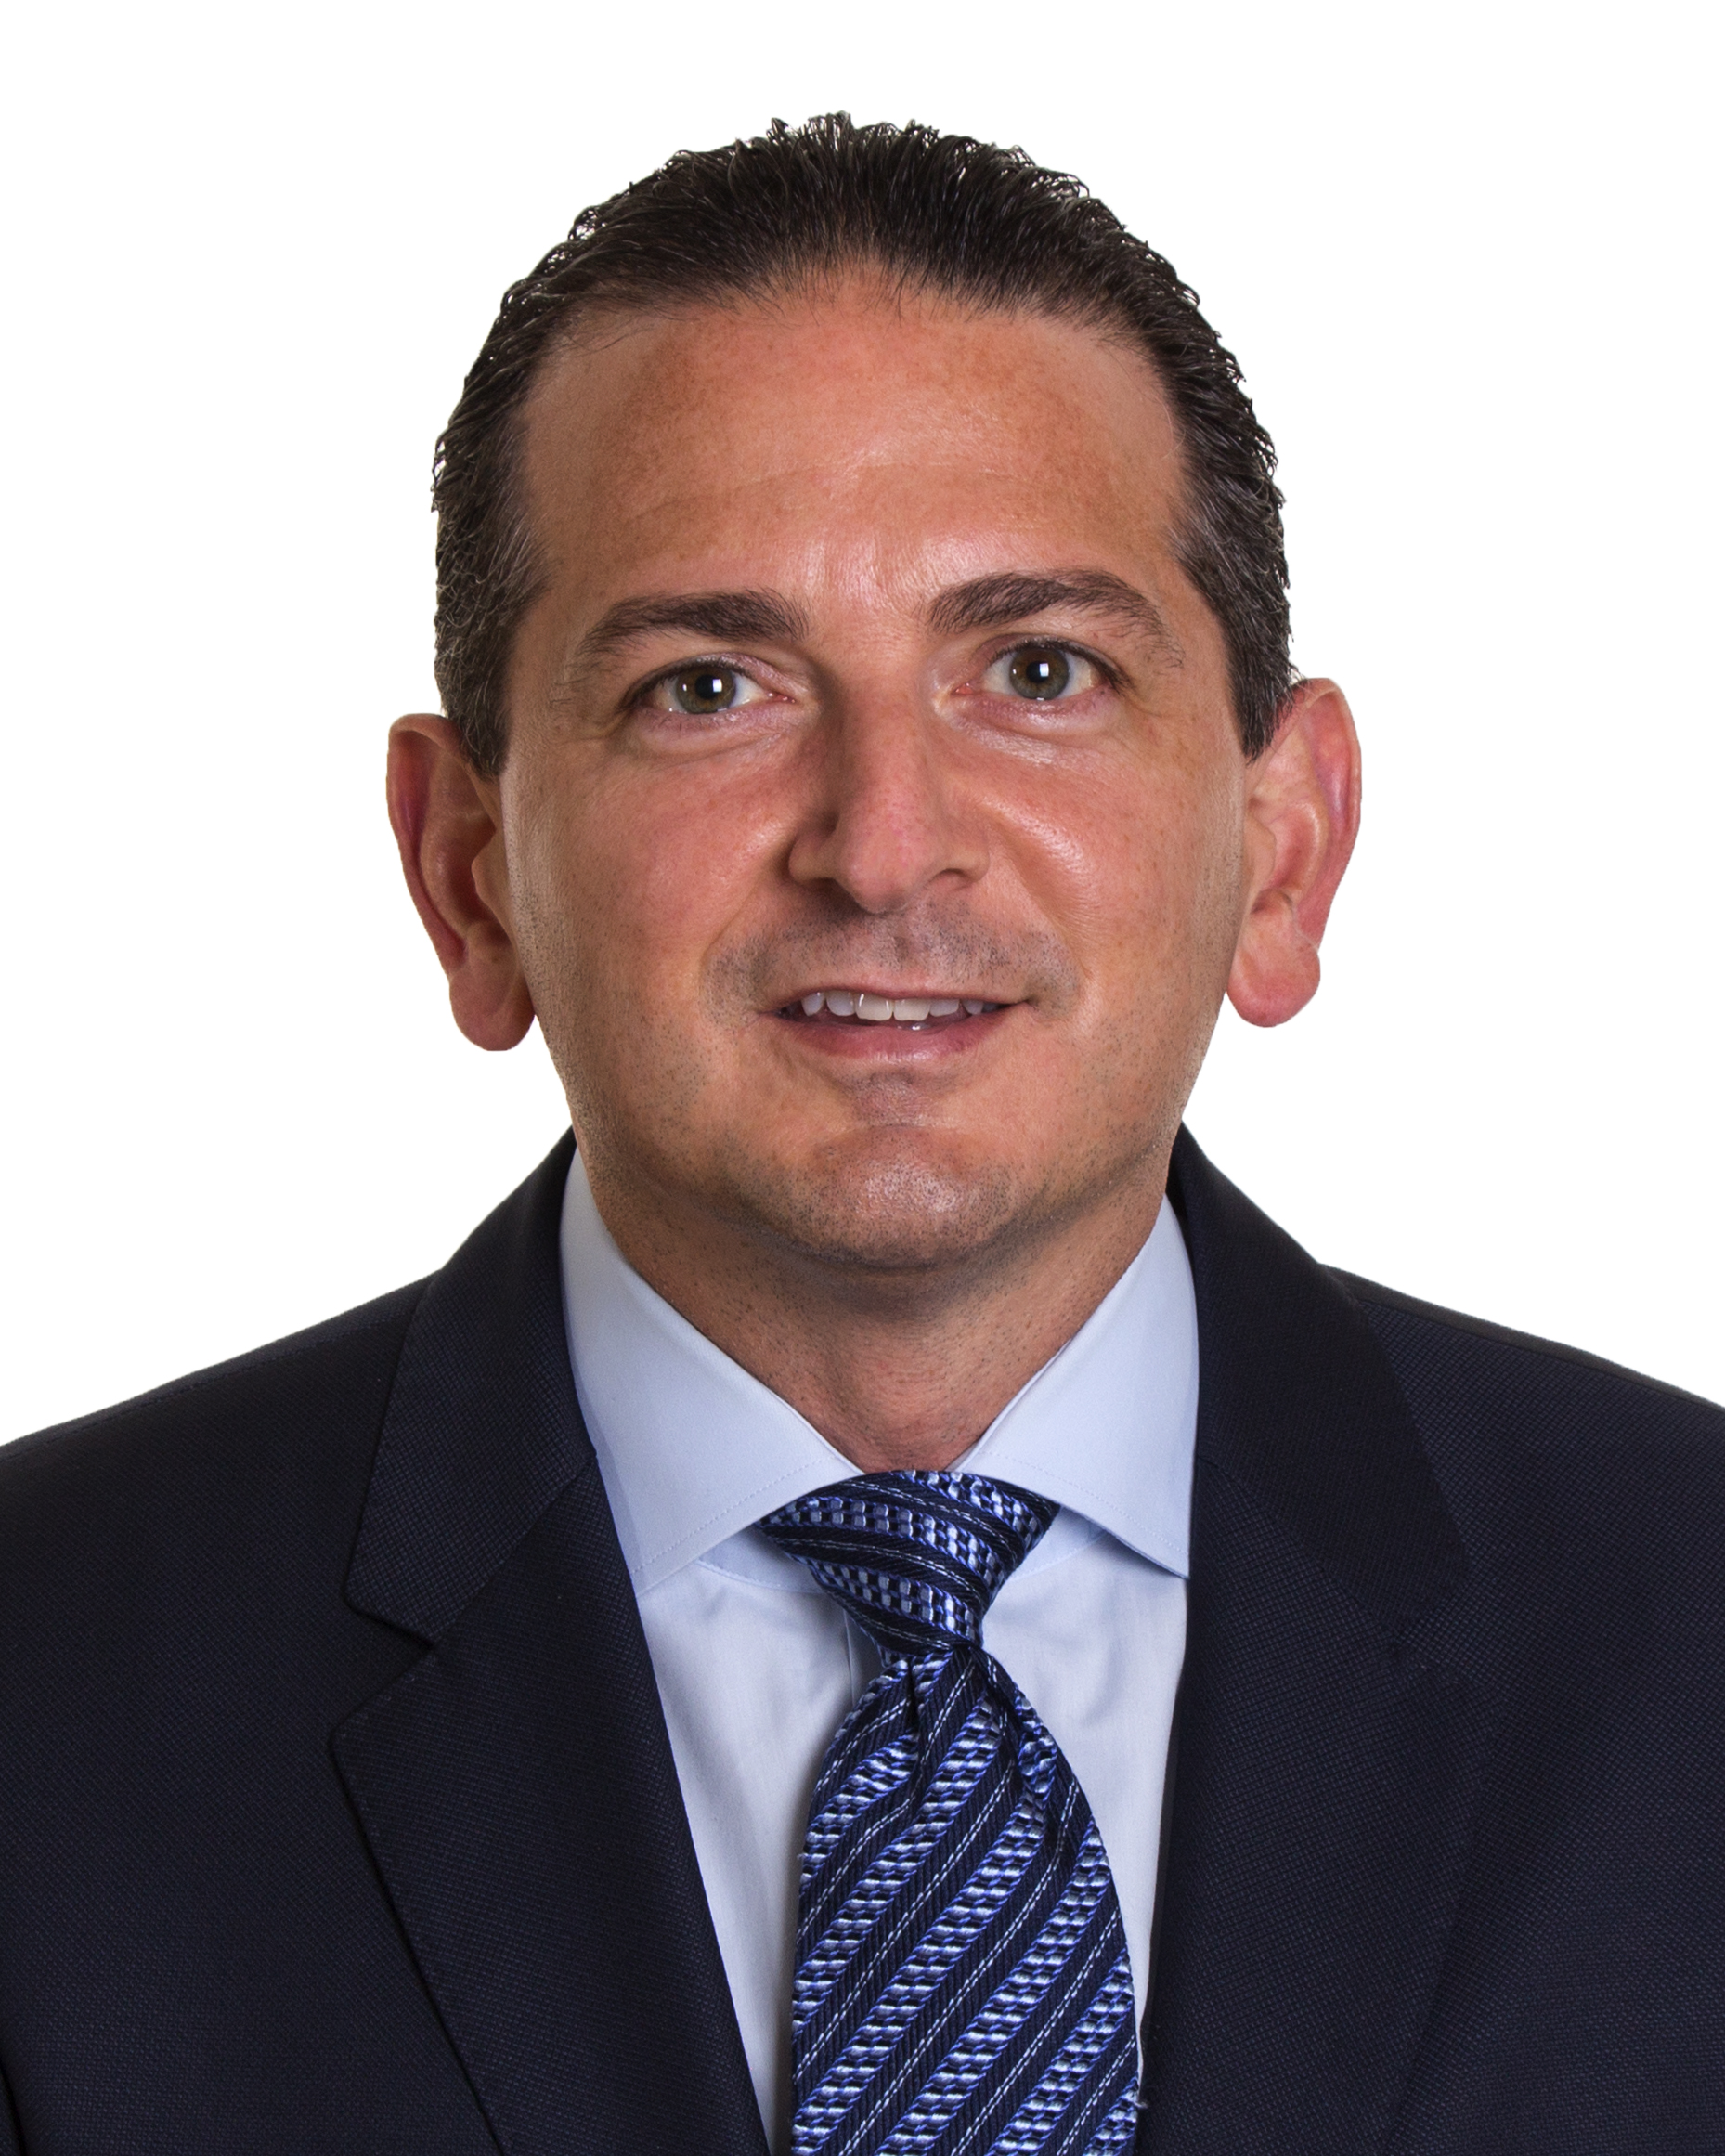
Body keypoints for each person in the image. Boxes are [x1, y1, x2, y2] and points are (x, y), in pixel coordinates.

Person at [0, 114, 1719, 2156]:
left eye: (1038, 670)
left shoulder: (1685, 1620)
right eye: (707, 686)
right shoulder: (43, 1678)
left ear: (1282, 849)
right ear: (469, 873)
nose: (883, 843)